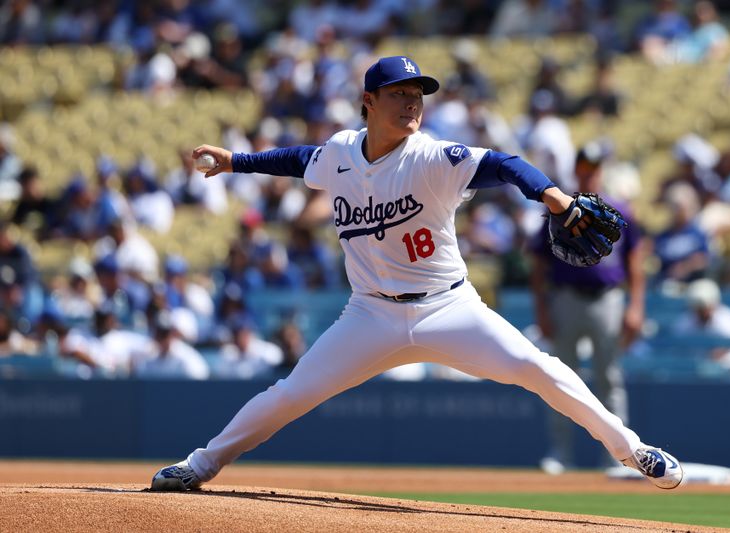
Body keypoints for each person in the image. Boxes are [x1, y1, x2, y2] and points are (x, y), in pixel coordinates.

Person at [151, 55, 683, 492]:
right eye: (399, 93)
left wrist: (555, 197)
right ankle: (200, 465)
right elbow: (301, 159)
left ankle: (633, 450)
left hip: (448, 307)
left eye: (417, 95)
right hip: (369, 313)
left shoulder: (432, 157)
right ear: (369, 103)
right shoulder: (340, 152)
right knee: (290, 395)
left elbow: (504, 164)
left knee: (537, 367)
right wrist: (236, 162)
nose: (411, 103)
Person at [530, 142, 645, 473]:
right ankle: (560, 453)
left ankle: (620, 457)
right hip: (565, 298)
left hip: (608, 298)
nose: (588, 174)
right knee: (561, 378)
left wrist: (636, 306)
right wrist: (541, 308)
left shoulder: (619, 210)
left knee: (609, 377)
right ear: (576, 170)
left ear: (600, 171)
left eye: (593, 169)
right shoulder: (560, 207)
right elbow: (538, 263)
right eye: (583, 169)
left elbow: (636, 262)